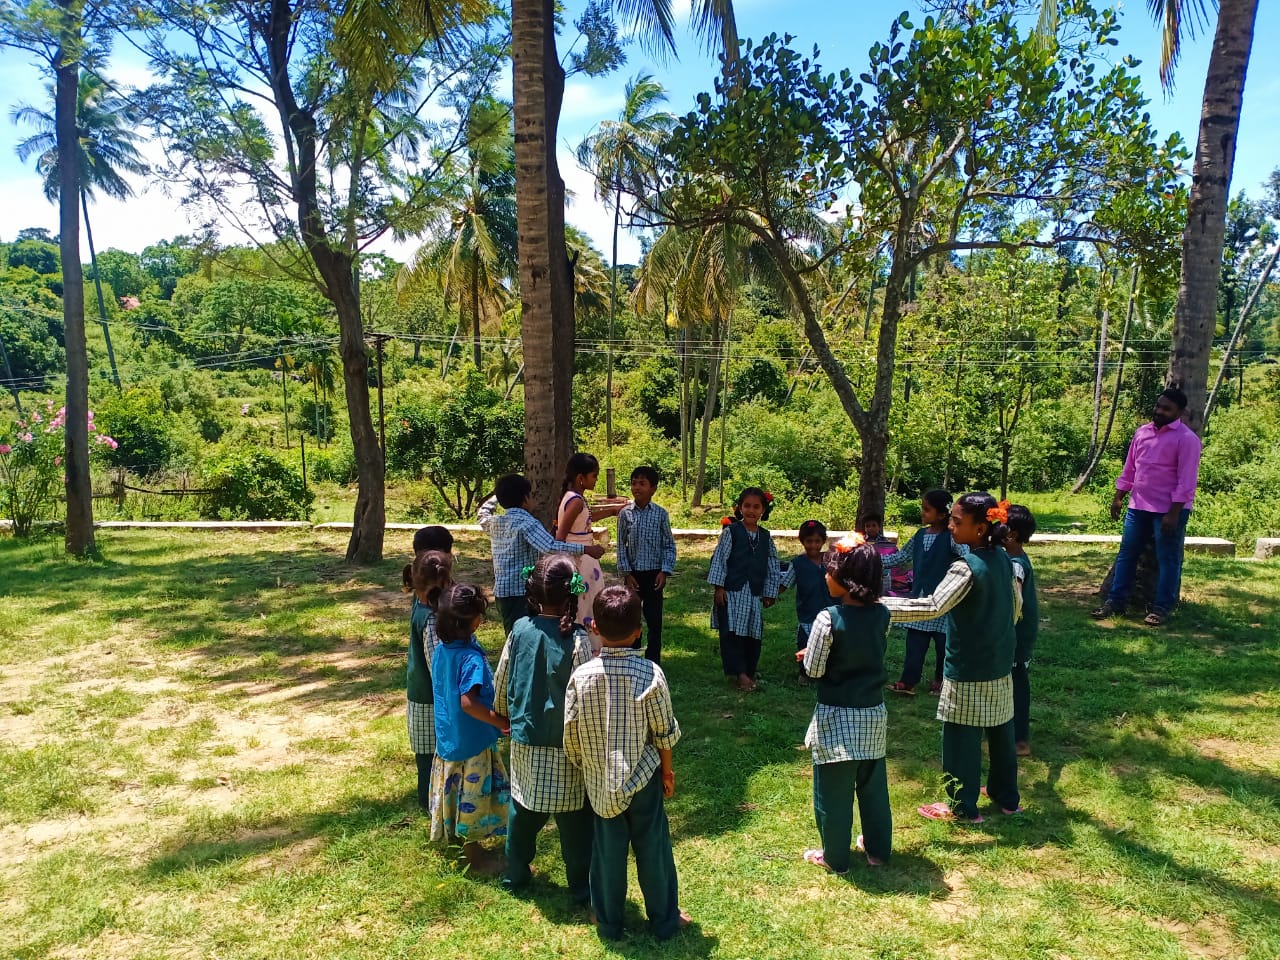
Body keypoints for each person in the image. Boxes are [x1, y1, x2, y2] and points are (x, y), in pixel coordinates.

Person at [882, 493, 1022, 824]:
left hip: (968, 666)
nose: (951, 524)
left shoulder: (965, 568)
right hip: (999, 661)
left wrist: (879, 606)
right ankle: (1006, 798)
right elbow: (1016, 607)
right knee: (1001, 732)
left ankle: (962, 806)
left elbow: (932, 606)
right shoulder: (1004, 560)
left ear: (980, 528)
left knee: (960, 737)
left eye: (958, 521)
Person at [563, 585, 688, 941]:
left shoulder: (581, 677)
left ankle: (608, 923)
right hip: (644, 777)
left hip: (600, 781)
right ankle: (665, 920)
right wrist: (667, 771)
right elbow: (664, 732)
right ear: (638, 631)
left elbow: (570, 733)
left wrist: (585, 767)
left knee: (607, 855)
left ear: (596, 629)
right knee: (654, 850)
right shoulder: (651, 674)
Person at [493, 555, 596, 904]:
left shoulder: (519, 631)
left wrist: (505, 715)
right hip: (567, 748)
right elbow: (587, 696)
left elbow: (503, 680)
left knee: (522, 812)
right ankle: (581, 887)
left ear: (533, 593)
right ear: (575, 594)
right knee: (576, 822)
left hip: (525, 738)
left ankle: (516, 872)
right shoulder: (579, 641)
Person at [796, 536, 893, 873]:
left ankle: (835, 857)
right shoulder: (883, 614)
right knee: (873, 790)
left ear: (846, 581)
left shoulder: (828, 618)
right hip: (873, 715)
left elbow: (815, 669)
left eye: (830, 571)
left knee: (832, 796)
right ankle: (879, 849)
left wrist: (808, 655)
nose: (825, 576)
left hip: (836, 719)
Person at [1092, 387, 1202, 626]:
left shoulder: (1187, 440)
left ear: (1179, 412)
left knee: (1168, 560)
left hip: (1169, 510)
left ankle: (1161, 608)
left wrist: (1173, 514)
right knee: (1127, 555)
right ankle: (1115, 602)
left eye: (1166, 409)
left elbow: (1186, 481)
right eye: (1159, 406)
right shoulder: (1142, 433)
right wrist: (1118, 497)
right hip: (1138, 506)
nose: (1160, 411)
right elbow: (1130, 468)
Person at [430, 583, 511, 874]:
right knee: (471, 799)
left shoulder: (442, 650)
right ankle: (475, 856)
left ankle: (459, 839)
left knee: (456, 793)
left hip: (450, 740)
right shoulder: (471, 659)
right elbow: (468, 702)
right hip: (472, 744)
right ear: (474, 621)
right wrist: (501, 721)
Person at [479, 473, 606, 635]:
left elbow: (482, 514)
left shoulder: (495, 522)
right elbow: (550, 546)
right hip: (522, 593)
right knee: (526, 635)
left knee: (512, 635)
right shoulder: (527, 523)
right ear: (525, 499)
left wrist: (498, 496)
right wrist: (586, 549)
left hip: (502, 593)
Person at [881, 490, 964, 696]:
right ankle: (908, 681)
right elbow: (899, 558)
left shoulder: (951, 537)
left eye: (927, 509)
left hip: (943, 601)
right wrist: (869, 559)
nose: (922, 513)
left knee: (944, 646)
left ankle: (941, 680)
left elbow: (967, 555)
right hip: (919, 599)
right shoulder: (919, 535)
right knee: (914, 644)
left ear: (942, 514)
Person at [707, 487, 781, 692]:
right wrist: (719, 587)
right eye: (746, 506)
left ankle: (749, 670)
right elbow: (720, 559)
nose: (751, 510)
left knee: (752, 632)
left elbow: (773, 564)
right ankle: (739, 673)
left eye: (756, 507)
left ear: (763, 510)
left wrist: (769, 591)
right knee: (732, 633)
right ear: (739, 508)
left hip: (754, 593)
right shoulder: (731, 532)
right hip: (732, 592)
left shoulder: (766, 537)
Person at [401, 549, 453, 811]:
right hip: (431, 699)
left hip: (420, 695)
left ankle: (430, 802)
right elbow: (438, 667)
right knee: (430, 758)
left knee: (426, 755)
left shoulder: (419, 605)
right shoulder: (432, 618)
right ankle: (430, 805)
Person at [556, 453, 625, 631]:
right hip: (579, 564)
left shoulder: (576, 498)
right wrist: (587, 549)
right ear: (581, 478)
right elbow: (559, 540)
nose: (595, 480)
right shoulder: (575, 501)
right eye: (594, 476)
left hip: (584, 561)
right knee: (584, 607)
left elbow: (588, 516)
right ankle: (587, 647)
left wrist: (612, 511)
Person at [616, 465, 678, 663]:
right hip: (633, 575)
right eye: (634, 483)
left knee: (654, 621)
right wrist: (626, 573)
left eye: (642, 484)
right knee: (632, 619)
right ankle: (632, 657)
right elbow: (620, 546)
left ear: (653, 488)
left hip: (654, 575)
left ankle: (653, 661)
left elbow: (669, 544)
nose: (637, 488)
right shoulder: (625, 514)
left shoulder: (660, 514)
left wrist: (665, 571)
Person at [779, 520, 836, 685]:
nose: (813, 545)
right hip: (808, 612)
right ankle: (805, 673)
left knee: (833, 642)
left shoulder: (832, 560)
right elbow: (785, 584)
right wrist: (768, 594)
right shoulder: (797, 564)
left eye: (817, 541)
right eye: (809, 541)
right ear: (802, 542)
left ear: (823, 541)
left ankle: (828, 671)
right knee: (806, 642)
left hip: (833, 610)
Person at [1004, 505, 1038, 758]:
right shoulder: (1010, 558)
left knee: (1017, 682)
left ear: (1012, 534)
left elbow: (1016, 599)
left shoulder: (1016, 564)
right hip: (1012, 633)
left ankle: (1020, 739)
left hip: (1016, 634)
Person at [862, 513, 899, 597]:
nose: (870, 528)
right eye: (867, 526)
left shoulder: (887, 544)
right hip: (864, 577)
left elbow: (895, 560)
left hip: (883, 577)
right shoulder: (860, 542)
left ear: (879, 527)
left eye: (874, 525)